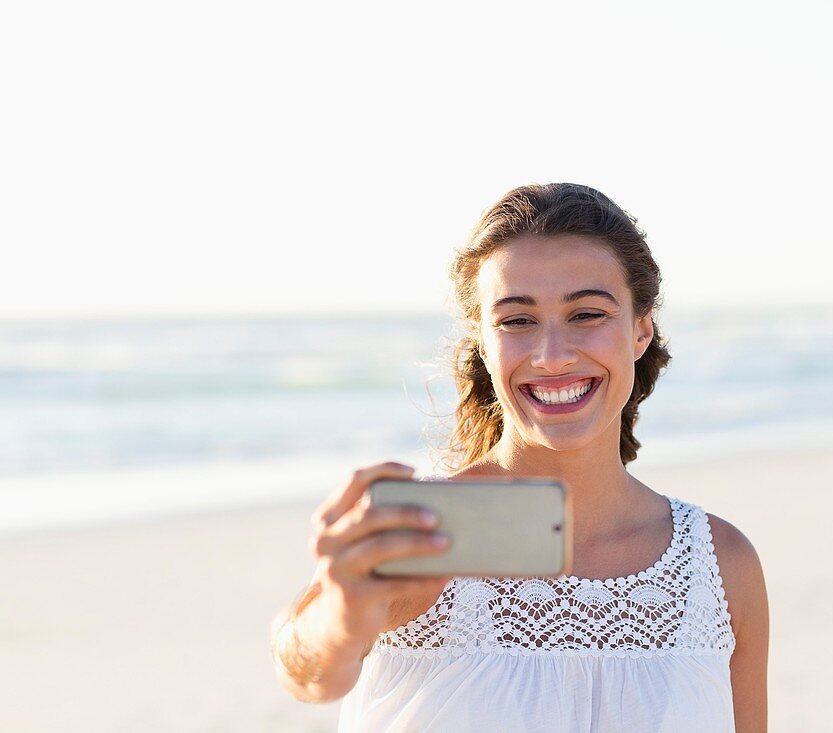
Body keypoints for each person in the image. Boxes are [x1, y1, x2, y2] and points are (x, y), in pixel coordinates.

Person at [271, 183, 769, 731]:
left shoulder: (719, 564)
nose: (552, 356)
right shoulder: (427, 532)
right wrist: (342, 614)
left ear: (640, 331)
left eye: (587, 314)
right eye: (516, 320)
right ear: (483, 343)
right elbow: (310, 672)